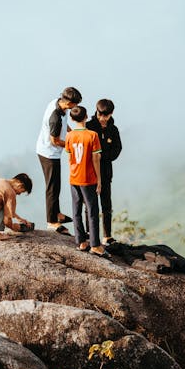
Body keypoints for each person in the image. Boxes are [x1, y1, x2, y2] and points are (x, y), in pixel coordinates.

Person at [35, 87, 82, 234]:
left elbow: (65, 123)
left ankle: (57, 213)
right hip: (48, 153)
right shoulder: (54, 117)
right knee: (52, 188)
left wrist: (72, 133)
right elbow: (54, 140)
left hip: (52, 152)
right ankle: (52, 221)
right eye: (75, 105)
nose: (76, 108)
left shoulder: (59, 103)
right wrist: (72, 145)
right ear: (68, 103)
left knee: (57, 185)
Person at [64, 106, 108, 257]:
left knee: (76, 210)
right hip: (88, 178)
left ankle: (81, 242)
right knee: (92, 211)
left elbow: (70, 157)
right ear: (86, 117)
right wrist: (99, 180)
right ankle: (95, 244)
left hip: (74, 177)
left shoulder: (69, 136)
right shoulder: (92, 135)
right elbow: (96, 159)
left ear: (71, 119)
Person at [86, 98, 123, 245]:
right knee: (89, 205)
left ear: (111, 114)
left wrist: (102, 157)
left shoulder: (113, 130)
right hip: (90, 172)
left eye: (105, 116)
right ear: (96, 111)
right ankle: (90, 234)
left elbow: (117, 149)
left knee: (106, 205)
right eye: (100, 115)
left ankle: (107, 235)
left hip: (106, 172)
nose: (102, 118)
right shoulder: (89, 127)